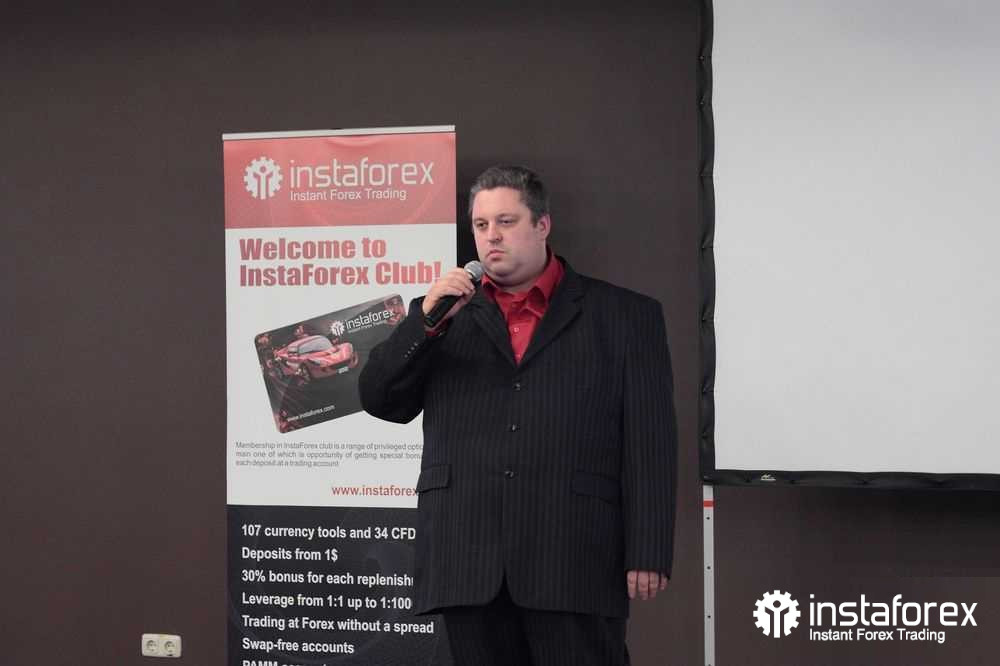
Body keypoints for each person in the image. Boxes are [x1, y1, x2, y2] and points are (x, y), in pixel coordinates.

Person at [359, 165, 677, 666]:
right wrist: (423, 324)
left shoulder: (625, 316)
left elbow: (651, 442)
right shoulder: (443, 314)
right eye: (481, 225)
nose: (492, 236)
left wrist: (649, 549)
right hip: (468, 560)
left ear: (542, 225)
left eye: (506, 222)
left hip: (573, 556)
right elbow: (380, 400)